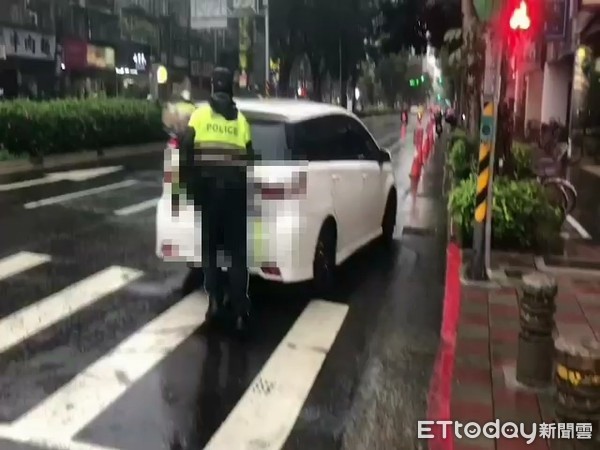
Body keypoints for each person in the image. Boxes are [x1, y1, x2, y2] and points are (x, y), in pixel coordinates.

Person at [178, 67, 254, 333]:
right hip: (234, 196)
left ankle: (214, 304)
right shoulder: (241, 121)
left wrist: (191, 188)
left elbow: (185, 155)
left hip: (208, 195)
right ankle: (241, 313)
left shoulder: (198, 117)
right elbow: (249, 162)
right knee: (236, 255)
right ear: (230, 88)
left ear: (212, 87)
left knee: (210, 252)